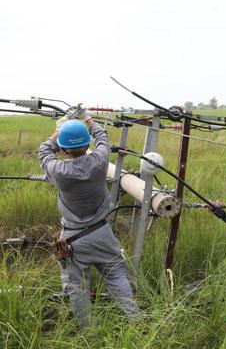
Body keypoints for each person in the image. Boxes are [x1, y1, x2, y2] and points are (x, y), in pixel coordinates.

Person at [39, 113, 140, 330]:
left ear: (64, 149)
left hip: (72, 240)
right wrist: (88, 120)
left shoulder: (59, 171)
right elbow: (103, 139)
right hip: (102, 233)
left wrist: (59, 131)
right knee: (116, 276)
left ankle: (88, 332)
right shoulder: (100, 161)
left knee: (77, 288)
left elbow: (44, 152)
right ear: (88, 144)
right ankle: (136, 321)